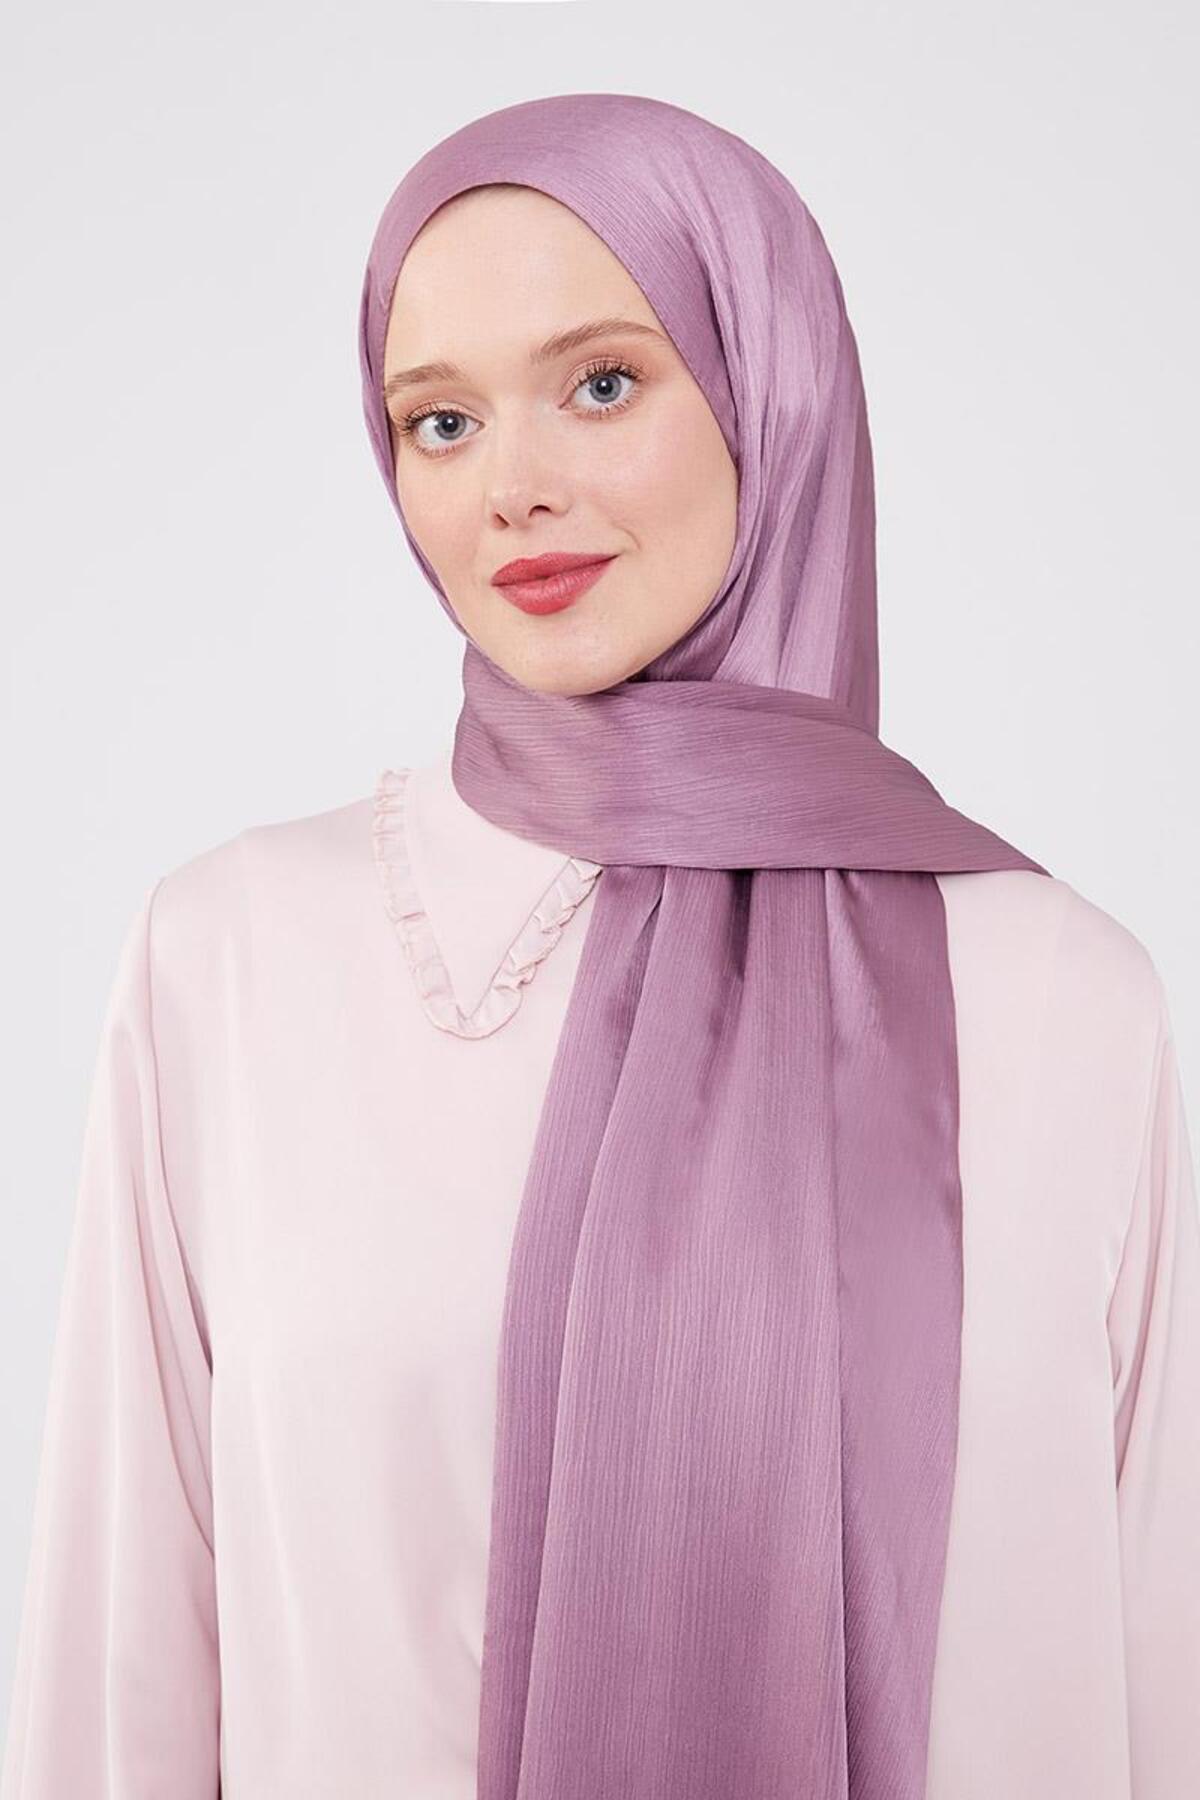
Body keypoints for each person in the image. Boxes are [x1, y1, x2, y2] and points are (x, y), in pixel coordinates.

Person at [2, 92, 1198, 1800]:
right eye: (439, 421)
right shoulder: (231, 963)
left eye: (604, 385)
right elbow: (118, 1683)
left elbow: (1163, 1674)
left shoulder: (1062, 996)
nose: (513, 489)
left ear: (773, 392)